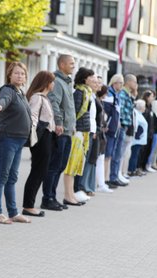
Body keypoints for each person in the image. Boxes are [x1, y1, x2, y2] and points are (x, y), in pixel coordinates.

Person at [0, 62, 32, 224]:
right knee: (2, 176)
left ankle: (13, 212)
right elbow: (4, 99)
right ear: (10, 75)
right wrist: (0, 105)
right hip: (7, 138)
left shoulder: (21, 93)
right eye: (16, 73)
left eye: (22, 74)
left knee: (12, 177)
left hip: (19, 140)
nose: (20, 76)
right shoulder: (8, 90)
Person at [41, 54, 76, 211]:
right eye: (71, 63)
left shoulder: (67, 82)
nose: (73, 66)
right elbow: (55, 104)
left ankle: (53, 197)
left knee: (61, 166)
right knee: (54, 166)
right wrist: (59, 123)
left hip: (68, 131)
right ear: (62, 64)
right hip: (60, 131)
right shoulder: (57, 81)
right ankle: (47, 198)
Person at [22, 71, 56, 217]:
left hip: (47, 137)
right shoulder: (37, 97)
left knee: (40, 170)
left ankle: (30, 204)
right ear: (47, 83)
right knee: (38, 170)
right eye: (52, 81)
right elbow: (33, 116)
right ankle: (28, 205)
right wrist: (32, 135)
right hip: (41, 138)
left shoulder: (44, 98)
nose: (53, 84)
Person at [62, 67, 95, 206]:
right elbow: (73, 112)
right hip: (77, 133)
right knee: (71, 166)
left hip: (83, 132)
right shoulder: (79, 92)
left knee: (76, 166)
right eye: (91, 76)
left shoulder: (86, 92)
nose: (93, 79)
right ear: (84, 78)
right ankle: (68, 196)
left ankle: (71, 195)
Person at [103, 74, 124, 188]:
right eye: (120, 82)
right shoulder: (109, 94)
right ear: (115, 82)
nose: (121, 85)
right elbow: (107, 112)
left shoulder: (117, 94)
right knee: (107, 154)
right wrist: (106, 124)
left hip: (115, 128)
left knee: (110, 154)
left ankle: (107, 178)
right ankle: (105, 180)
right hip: (110, 129)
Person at [128, 100, 148, 176]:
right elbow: (136, 125)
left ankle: (134, 169)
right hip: (137, 139)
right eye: (144, 106)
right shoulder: (136, 113)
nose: (145, 108)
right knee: (134, 155)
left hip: (140, 139)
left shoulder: (139, 114)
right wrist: (138, 135)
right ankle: (131, 170)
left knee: (136, 155)